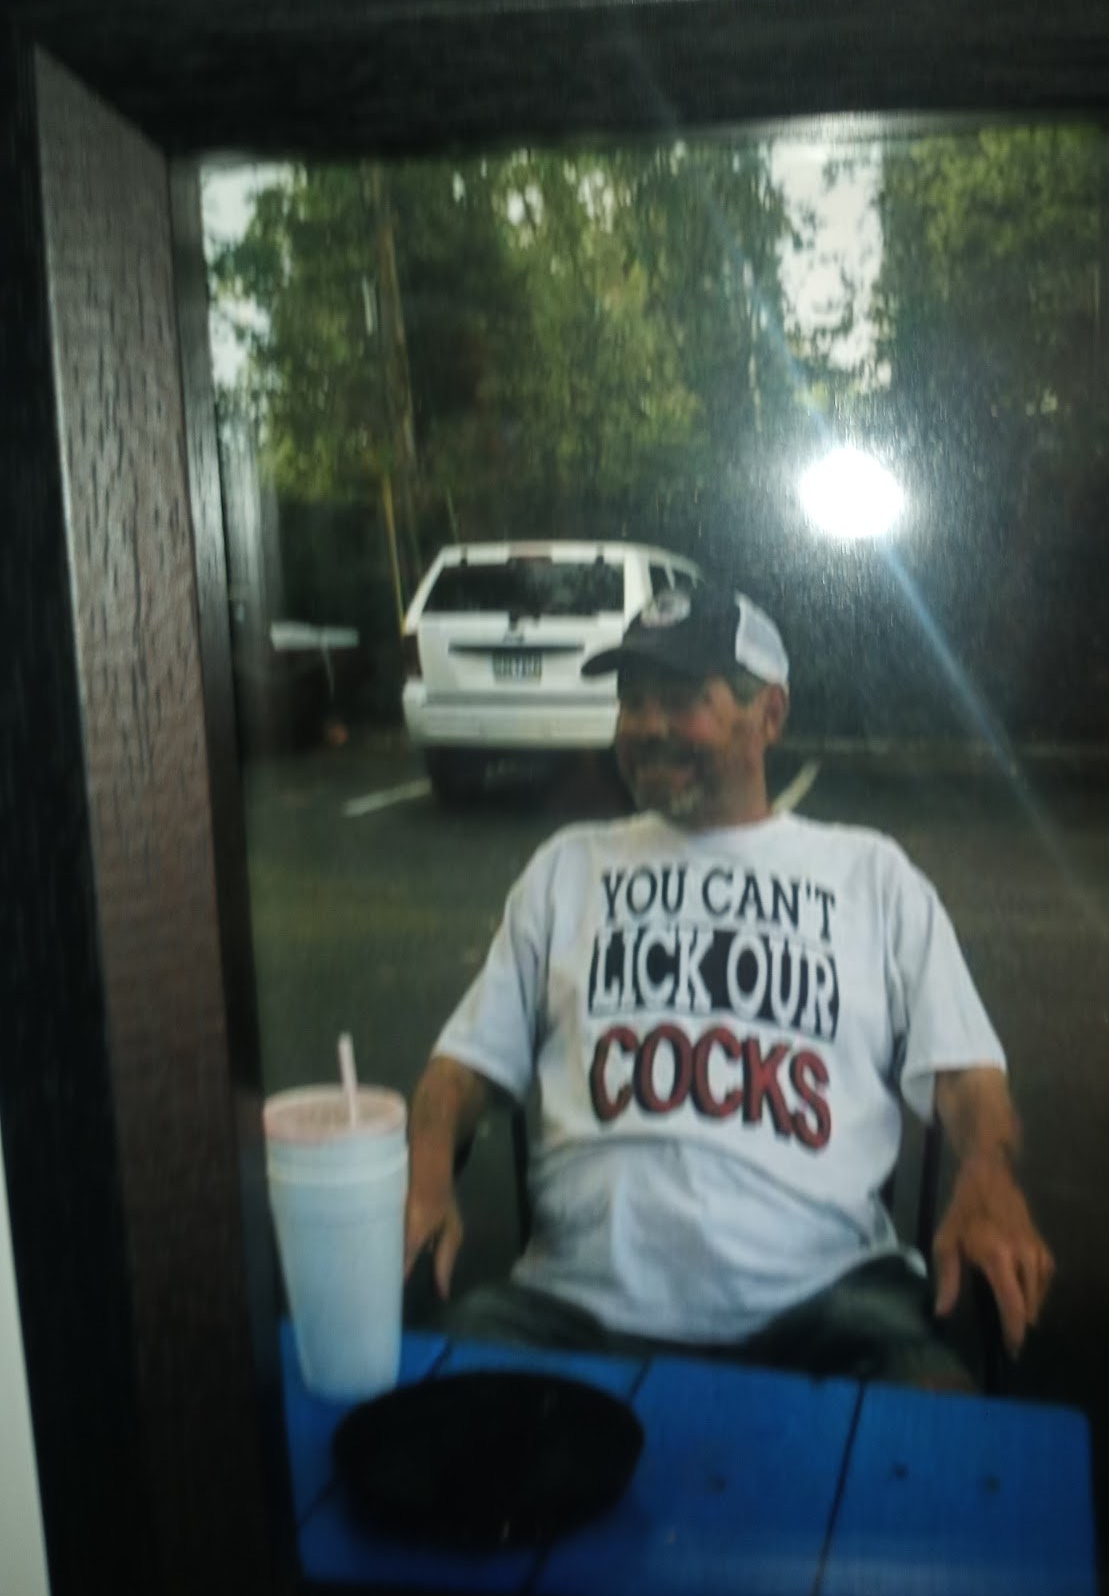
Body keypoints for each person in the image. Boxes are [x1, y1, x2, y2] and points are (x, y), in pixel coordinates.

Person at [405, 582, 1054, 1388]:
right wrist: (426, 1164)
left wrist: (989, 1173)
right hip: (571, 1306)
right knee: (433, 1423)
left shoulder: (871, 876)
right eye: (631, 700)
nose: (646, 726)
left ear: (769, 716)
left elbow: (965, 1072)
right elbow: (464, 1066)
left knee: (928, 1427)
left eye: (682, 700)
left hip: (829, 1301)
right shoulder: (568, 869)